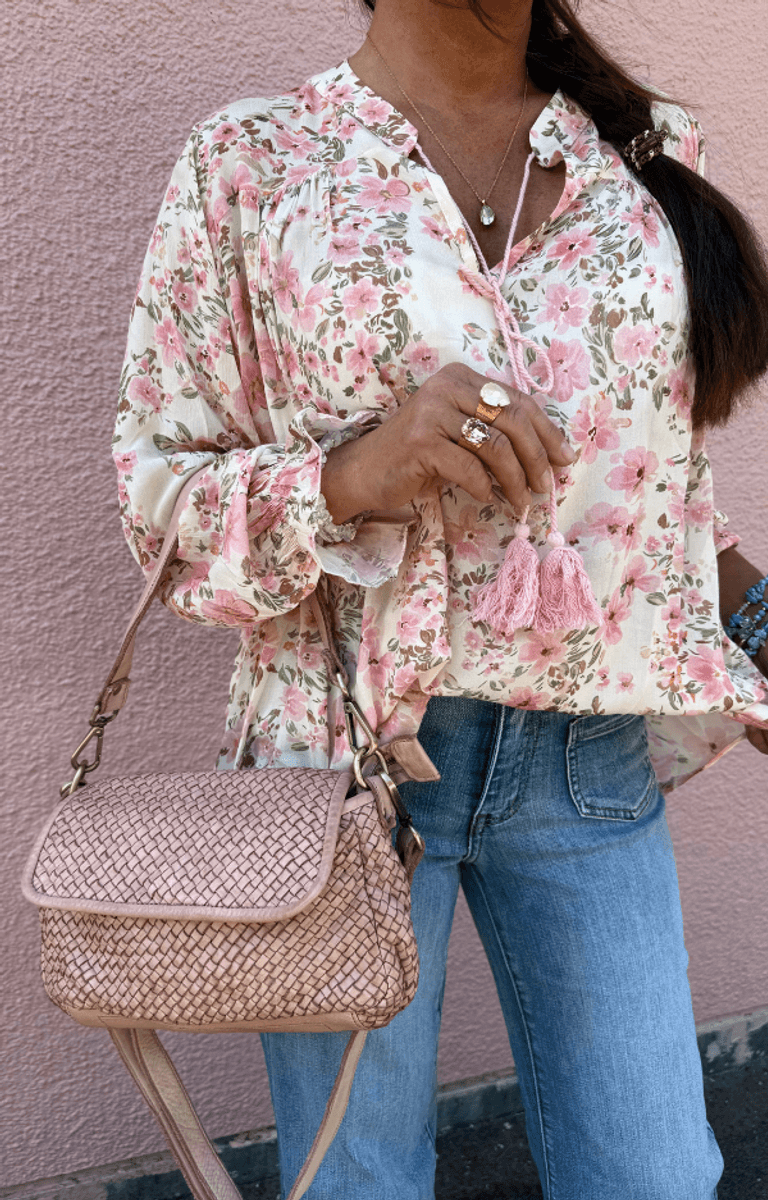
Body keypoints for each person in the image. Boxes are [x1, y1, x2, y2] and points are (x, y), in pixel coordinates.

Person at [112, 0, 768, 1194]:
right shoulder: (257, 161)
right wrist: (356, 472)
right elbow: (158, 502)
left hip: (587, 758)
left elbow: (658, 492)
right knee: (355, 1183)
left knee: (658, 1174)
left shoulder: (644, 156)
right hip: (343, 770)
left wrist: (760, 627)